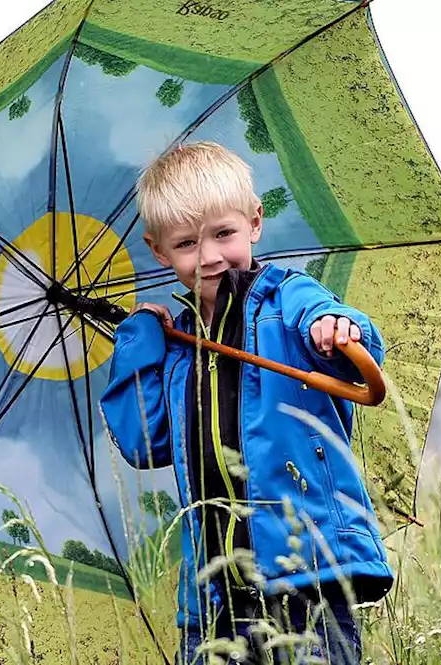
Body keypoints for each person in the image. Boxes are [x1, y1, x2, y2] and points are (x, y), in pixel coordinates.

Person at [98, 141, 393, 664]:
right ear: (158, 250)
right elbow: (144, 441)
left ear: (255, 222)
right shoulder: (177, 347)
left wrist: (335, 329)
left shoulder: (287, 301)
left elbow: (354, 344)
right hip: (212, 600)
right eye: (186, 243)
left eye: (224, 233)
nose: (209, 256)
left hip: (308, 582)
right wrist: (139, 339)